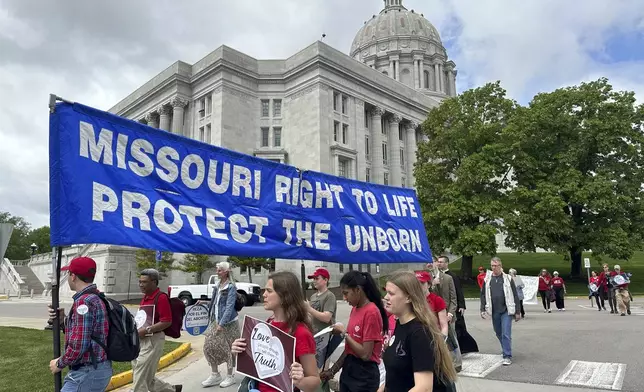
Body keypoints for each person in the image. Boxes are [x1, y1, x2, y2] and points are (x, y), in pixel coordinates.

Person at [232, 271, 320, 392]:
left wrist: (300, 381)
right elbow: (259, 362)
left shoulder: (301, 333)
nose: (264, 294)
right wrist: (240, 350)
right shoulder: (269, 323)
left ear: (284, 296)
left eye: (269, 291)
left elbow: (315, 380)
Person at [383, 270, 458, 392]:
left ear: (408, 297)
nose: (386, 297)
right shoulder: (401, 324)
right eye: (386, 292)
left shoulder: (419, 333)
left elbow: (424, 387)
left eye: (391, 293)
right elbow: (394, 377)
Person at [47, 257, 113, 391]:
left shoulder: (84, 302)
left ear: (73, 276)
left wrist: (59, 363)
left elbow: (79, 345)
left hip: (87, 371)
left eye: (68, 273)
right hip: (96, 369)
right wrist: (63, 321)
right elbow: (89, 333)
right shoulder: (96, 296)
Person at [322, 271, 388, 392]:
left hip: (364, 376)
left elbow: (365, 354)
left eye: (346, 293)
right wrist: (333, 371)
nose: (344, 298)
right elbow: (349, 349)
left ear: (358, 290)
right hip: (349, 370)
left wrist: (344, 334)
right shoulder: (355, 309)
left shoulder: (371, 312)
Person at [132, 269, 182, 392]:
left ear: (154, 282)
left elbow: (167, 321)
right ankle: (171, 390)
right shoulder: (146, 297)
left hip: (153, 340)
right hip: (142, 339)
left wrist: (147, 329)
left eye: (144, 282)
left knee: (140, 373)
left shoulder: (161, 298)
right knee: (146, 377)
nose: (141, 285)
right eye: (140, 282)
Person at [199, 262, 239, 388]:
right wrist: (204, 302)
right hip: (215, 320)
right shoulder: (217, 285)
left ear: (226, 272)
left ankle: (230, 376)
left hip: (229, 323)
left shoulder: (231, 287)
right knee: (208, 346)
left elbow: (229, 307)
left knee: (229, 348)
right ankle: (215, 374)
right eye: (217, 270)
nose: (217, 272)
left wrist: (221, 324)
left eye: (220, 270)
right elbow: (215, 303)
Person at [480, 257, 521, 366]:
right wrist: (482, 308)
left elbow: (515, 294)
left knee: (506, 333)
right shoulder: (487, 279)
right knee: (498, 332)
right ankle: (505, 348)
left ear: (500, 266)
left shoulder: (507, 278)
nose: (494, 268)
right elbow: (483, 294)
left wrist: (517, 311)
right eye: (492, 265)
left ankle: (507, 355)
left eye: (496, 265)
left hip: (506, 310)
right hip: (494, 310)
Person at [437, 255, 479, 355]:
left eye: (441, 262)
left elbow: (457, 291)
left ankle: (460, 349)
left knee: (458, 328)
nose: (439, 263)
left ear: (447, 263)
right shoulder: (437, 276)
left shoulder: (452, 276)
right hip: (442, 307)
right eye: (438, 262)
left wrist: (461, 305)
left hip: (453, 307)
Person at [430, 258, 462, 372]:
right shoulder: (427, 280)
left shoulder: (448, 278)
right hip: (434, 316)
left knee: (452, 339)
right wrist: (432, 284)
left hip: (448, 314)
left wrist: (450, 313)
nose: (433, 264)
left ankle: (457, 363)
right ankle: (443, 363)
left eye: (434, 262)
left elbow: (454, 298)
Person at [305, 268, 338, 369]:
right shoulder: (313, 296)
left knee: (322, 369)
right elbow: (311, 317)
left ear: (325, 280)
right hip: (313, 337)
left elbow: (326, 317)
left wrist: (309, 308)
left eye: (317, 278)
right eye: (313, 278)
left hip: (325, 338)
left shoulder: (329, 296)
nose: (314, 281)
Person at [415, 271, 448, 336]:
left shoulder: (437, 300)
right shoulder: (411, 300)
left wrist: (442, 340)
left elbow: (444, 325)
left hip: (434, 336)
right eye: (416, 283)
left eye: (422, 283)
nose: (419, 286)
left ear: (429, 285)